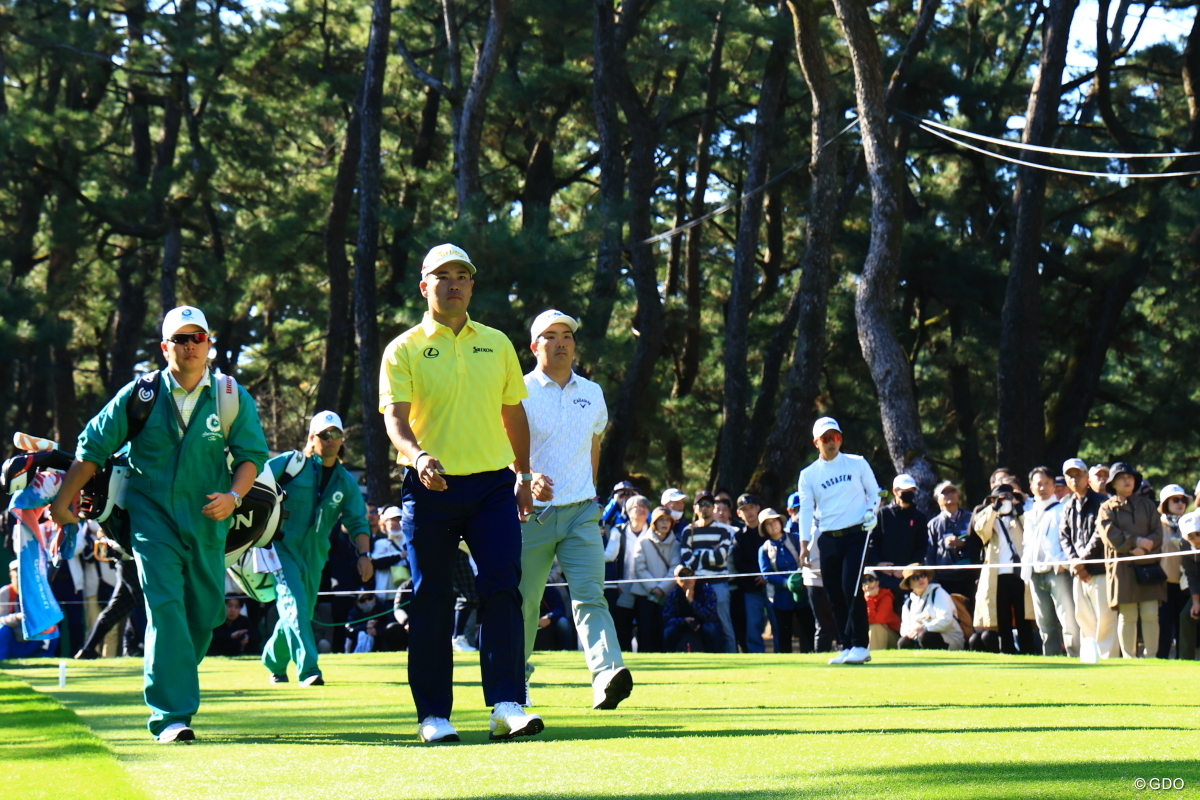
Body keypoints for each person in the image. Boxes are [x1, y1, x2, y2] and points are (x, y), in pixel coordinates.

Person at [51, 305, 268, 743]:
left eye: (197, 338)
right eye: (180, 339)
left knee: (206, 616)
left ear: (209, 344)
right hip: (151, 519)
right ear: (165, 346)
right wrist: (61, 501)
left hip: (209, 521)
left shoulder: (230, 395)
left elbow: (251, 457)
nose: (189, 346)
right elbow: (91, 449)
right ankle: (171, 715)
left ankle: (174, 674)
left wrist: (234, 496)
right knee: (165, 608)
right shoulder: (140, 394)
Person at [379, 243, 542, 743]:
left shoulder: (496, 343)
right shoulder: (403, 348)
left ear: (471, 285)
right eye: (442, 276)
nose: (453, 283)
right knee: (431, 598)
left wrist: (522, 473)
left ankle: (507, 704)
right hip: (430, 486)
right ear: (425, 286)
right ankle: (433, 715)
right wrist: (419, 455)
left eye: (462, 276)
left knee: (502, 588)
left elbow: (514, 414)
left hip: (493, 484)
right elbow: (395, 418)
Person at [517, 308, 631, 710]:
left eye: (567, 335)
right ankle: (515, 683)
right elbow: (503, 449)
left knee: (590, 597)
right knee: (525, 602)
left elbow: (593, 445)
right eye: (551, 335)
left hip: (583, 511)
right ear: (534, 346)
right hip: (531, 515)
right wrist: (526, 477)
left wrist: (592, 495)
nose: (562, 341)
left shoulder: (593, 392)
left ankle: (606, 676)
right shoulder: (519, 391)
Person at [261, 411, 373, 686]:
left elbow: (357, 521)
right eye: (325, 434)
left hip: (315, 556)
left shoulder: (345, 480)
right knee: (295, 608)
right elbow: (254, 481)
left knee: (299, 612)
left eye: (337, 434)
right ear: (312, 438)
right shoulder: (291, 463)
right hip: (280, 547)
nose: (331, 440)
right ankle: (309, 670)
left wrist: (364, 555)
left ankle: (273, 660)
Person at [796, 417, 881, 665]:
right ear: (816, 443)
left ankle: (860, 645)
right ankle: (846, 645)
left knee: (850, 588)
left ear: (840, 439)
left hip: (856, 534)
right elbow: (806, 511)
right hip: (828, 538)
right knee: (834, 594)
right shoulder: (808, 475)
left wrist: (871, 513)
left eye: (834, 437)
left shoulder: (857, 463)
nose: (831, 443)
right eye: (825, 439)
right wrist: (803, 544)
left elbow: (875, 492)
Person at [1097, 462, 1165, 658]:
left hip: (1148, 565)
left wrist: (1146, 546)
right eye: (1121, 478)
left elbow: (1158, 533)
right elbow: (1109, 535)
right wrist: (1134, 542)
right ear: (1113, 483)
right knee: (1127, 616)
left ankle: (1151, 657)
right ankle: (1129, 657)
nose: (1127, 481)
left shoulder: (1149, 506)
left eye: (1130, 477)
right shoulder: (1106, 508)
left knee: (1151, 613)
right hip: (1122, 566)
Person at [1058, 458, 1118, 660]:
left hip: (1099, 569)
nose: (1075, 479)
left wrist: (1081, 561)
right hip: (1079, 572)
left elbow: (1099, 534)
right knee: (1083, 617)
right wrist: (1075, 562)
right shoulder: (1068, 505)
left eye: (1079, 475)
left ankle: (1107, 658)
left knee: (1105, 618)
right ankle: (1091, 657)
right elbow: (1064, 537)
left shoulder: (1102, 502)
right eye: (1070, 476)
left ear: (1087, 477)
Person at [1020, 466, 1079, 657]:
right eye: (1039, 484)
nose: (1043, 488)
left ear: (1054, 486)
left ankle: (1075, 656)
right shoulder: (1028, 512)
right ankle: (1051, 660)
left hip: (1058, 571)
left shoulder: (1063, 509)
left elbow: (1069, 540)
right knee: (1044, 624)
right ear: (1031, 487)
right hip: (1035, 573)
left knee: (1068, 620)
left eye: (1047, 483)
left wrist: (1064, 563)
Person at [970, 484, 1032, 654]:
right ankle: (1007, 650)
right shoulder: (987, 515)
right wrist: (994, 509)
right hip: (997, 574)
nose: (1005, 501)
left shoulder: (1020, 515)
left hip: (1019, 573)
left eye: (1008, 497)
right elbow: (982, 531)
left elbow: (1032, 531)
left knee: (1023, 615)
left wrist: (1018, 509)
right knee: (1002, 615)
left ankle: (1028, 650)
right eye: (1001, 498)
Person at [679, 490, 736, 652]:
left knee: (725, 625)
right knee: (700, 626)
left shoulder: (723, 530)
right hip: (696, 586)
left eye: (709, 504)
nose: (705, 508)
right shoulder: (687, 531)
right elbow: (687, 560)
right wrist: (710, 553)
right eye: (701, 504)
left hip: (719, 584)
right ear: (695, 508)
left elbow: (721, 558)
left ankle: (732, 661)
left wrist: (698, 554)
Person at [871, 474, 929, 607]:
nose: (909, 494)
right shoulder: (882, 514)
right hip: (884, 576)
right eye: (905, 491)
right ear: (895, 492)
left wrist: (907, 569)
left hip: (909, 578)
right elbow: (873, 543)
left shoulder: (919, 517)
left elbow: (922, 548)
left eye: (911, 491)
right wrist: (878, 564)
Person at [629, 506, 681, 653]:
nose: (665, 523)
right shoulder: (643, 541)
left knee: (664, 632)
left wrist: (662, 588)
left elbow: (675, 569)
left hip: (667, 596)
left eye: (668, 520)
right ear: (654, 522)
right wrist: (654, 588)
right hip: (644, 596)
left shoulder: (676, 544)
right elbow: (639, 568)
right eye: (661, 520)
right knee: (645, 633)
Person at [604, 495, 648, 652]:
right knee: (623, 626)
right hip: (624, 586)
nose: (642, 510)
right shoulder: (618, 531)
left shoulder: (651, 530)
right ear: (628, 511)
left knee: (646, 626)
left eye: (645, 507)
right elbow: (609, 556)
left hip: (647, 586)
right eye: (637, 507)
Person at [925, 480, 979, 608]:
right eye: (944, 492)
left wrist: (963, 543)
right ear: (938, 500)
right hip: (944, 578)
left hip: (969, 576)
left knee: (970, 611)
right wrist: (932, 579)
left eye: (952, 491)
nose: (949, 494)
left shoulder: (972, 518)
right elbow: (929, 553)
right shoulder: (933, 524)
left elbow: (981, 545)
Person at [758, 508, 802, 653]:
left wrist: (798, 579)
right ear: (764, 529)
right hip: (779, 598)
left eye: (774, 521)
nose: (773, 525)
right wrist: (785, 582)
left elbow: (804, 560)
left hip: (803, 593)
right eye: (768, 524)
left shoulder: (796, 538)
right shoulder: (764, 549)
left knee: (807, 630)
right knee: (783, 635)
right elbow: (766, 574)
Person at [732, 494, 770, 653]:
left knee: (777, 624)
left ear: (758, 508)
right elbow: (739, 563)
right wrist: (758, 576)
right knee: (753, 627)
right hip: (750, 589)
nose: (749, 512)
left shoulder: (768, 532)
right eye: (744, 510)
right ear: (739, 514)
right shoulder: (739, 537)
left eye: (751, 508)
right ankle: (758, 659)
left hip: (772, 586)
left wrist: (766, 576)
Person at [1, 560, 59, 660]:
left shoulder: (36, 592)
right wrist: (17, 617)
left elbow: (45, 615)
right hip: (12, 639)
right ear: (11, 576)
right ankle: (2, 660)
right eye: (17, 572)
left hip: (32, 639)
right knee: (2, 629)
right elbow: (1, 619)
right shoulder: (4, 592)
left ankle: (44, 660)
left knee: (51, 626)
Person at [897, 565, 965, 650]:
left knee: (925, 636)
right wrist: (912, 632)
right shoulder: (908, 603)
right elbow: (904, 628)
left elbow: (946, 619)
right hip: (919, 637)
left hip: (949, 638)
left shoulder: (939, 593)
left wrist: (923, 628)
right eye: (915, 577)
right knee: (903, 642)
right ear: (909, 585)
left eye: (923, 575)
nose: (921, 579)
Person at [1157, 484, 1189, 659]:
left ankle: (1183, 660)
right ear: (1165, 503)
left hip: (1185, 584)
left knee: (1183, 626)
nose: (1180, 503)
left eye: (1183, 500)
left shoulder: (1190, 526)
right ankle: (1161, 660)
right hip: (1164, 584)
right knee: (1164, 626)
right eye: (1175, 500)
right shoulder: (1157, 525)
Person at [662, 566, 722, 652]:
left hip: (703, 625)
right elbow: (667, 618)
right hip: (682, 627)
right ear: (676, 579)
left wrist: (691, 601)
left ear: (695, 576)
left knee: (710, 628)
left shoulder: (706, 590)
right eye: (682, 576)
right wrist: (684, 621)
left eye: (689, 575)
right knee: (669, 631)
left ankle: (716, 657)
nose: (687, 579)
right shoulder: (673, 594)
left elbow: (712, 616)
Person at [862, 572, 900, 649]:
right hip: (867, 634)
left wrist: (869, 598)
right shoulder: (858, 597)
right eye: (864, 580)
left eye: (871, 579)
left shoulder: (886, 596)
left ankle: (874, 657)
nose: (867, 583)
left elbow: (875, 620)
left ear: (877, 582)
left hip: (893, 637)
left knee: (876, 626)